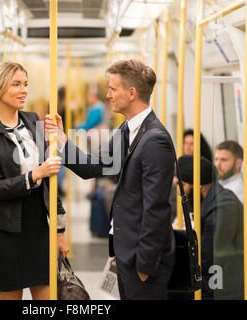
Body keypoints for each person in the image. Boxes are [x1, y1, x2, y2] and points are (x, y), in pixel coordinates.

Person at [46, 59, 175, 300]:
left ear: (132, 93)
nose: (108, 94)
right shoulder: (127, 130)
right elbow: (92, 167)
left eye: (113, 88)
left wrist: (144, 266)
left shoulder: (155, 140)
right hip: (126, 252)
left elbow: (156, 208)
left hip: (143, 260)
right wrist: (62, 139)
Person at [0, 62, 69, 300]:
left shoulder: (34, 121)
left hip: (38, 227)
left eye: (25, 84)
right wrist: (35, 174)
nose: (23, 90)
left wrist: (60, 230)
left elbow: (49, 182)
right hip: (4, 231)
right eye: (16, 84)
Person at [177, 155, 244, 300]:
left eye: (181, 186)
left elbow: (205, 258)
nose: (178, 192)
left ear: (198, 186)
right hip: (213, 277)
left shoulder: (223, 207)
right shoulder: (210, 202)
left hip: (221, 284)